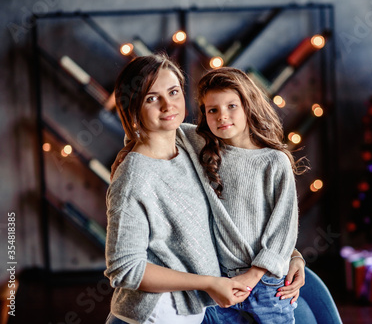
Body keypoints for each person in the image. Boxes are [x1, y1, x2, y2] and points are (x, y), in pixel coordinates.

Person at [105, 53, 305, 324]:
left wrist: (288, 255)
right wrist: (209, 283)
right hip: (158, 314)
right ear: (133, 106)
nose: (167, 106)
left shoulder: (192, 143)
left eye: (173, 92)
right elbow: (124, 269)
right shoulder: (135, 177)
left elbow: (249, 210)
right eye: (152, 98)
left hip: (210, 300)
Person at [181, 67, 305, 323]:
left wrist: (254, 275)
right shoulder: (201, 145)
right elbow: (152, 127)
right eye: (212, 109)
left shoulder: (274, 161)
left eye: (231, 106)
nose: (222, 116)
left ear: (248, 106)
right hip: (219, 282)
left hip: (267, 286)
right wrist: (127, 152)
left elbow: (283, 228)